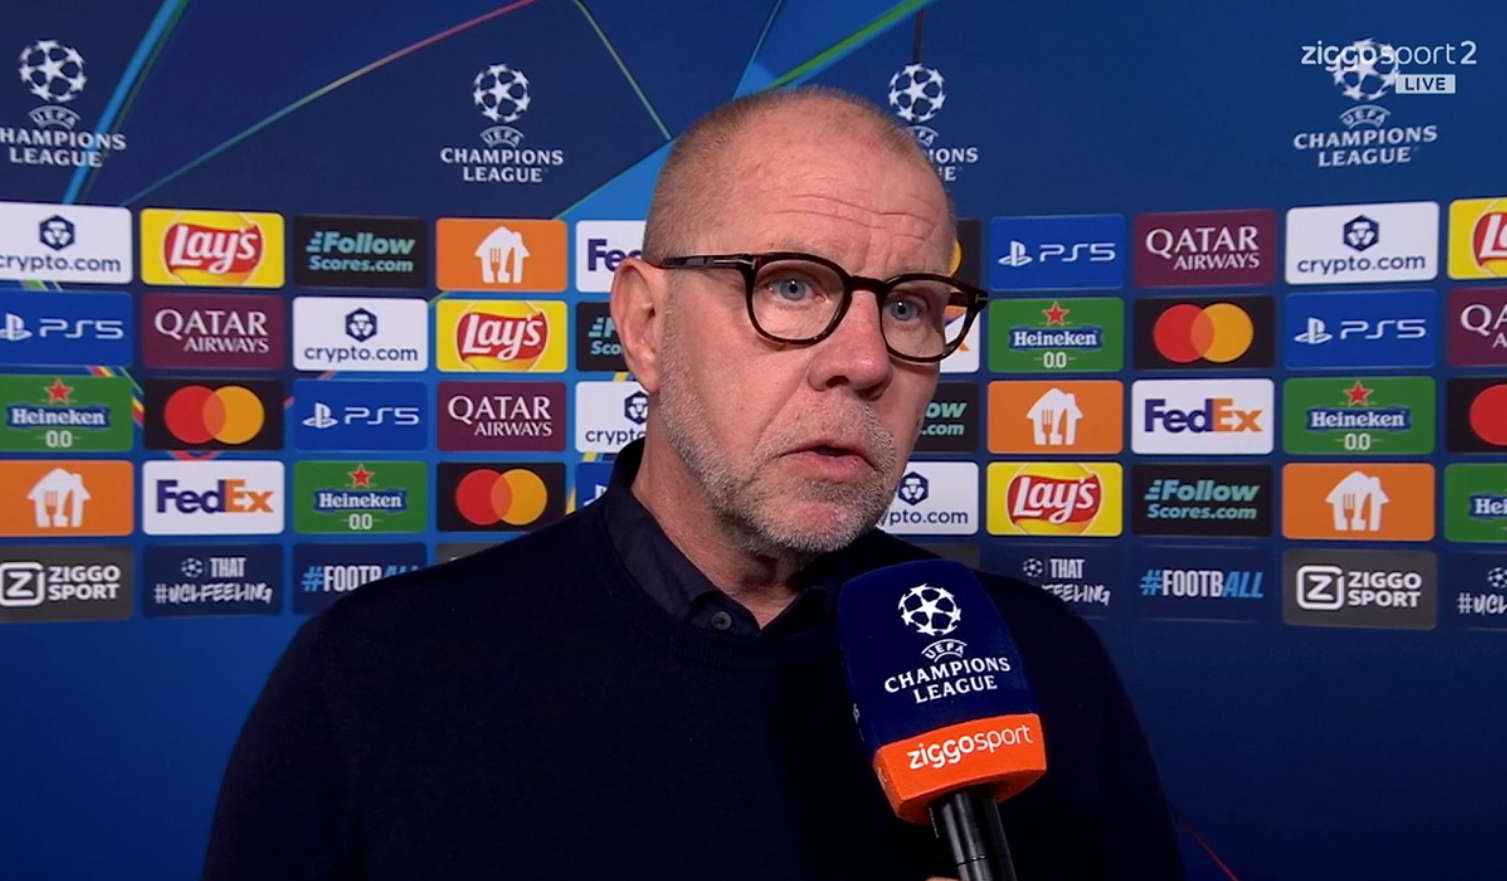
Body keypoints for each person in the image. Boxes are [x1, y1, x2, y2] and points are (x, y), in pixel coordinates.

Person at [202, 86, 1182, 881]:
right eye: (791, 284)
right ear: (645, 324)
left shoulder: (1043, 665)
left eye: (911, 305)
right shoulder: (371, 678)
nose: (865, 361)